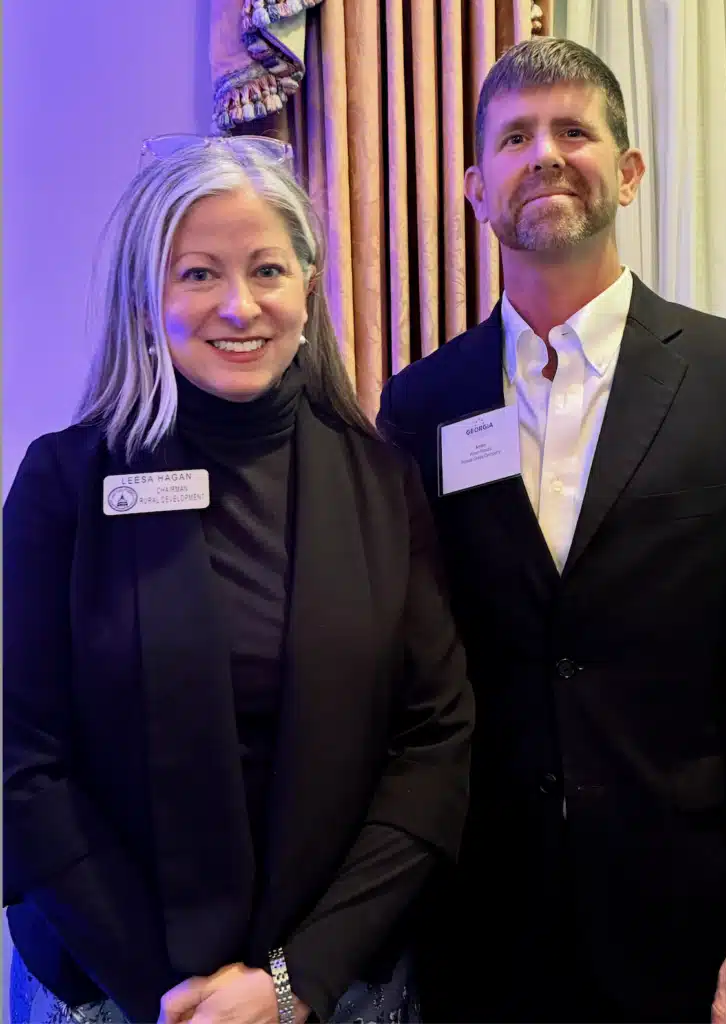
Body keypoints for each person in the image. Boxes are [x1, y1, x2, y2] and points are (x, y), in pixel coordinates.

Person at [378, 37, 726, 1024]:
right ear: (475, 189)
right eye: (514, 138)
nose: (544, 154)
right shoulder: (420, 406)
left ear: (628, 172)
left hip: (696, 933)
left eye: (572, 131)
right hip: (482, 933)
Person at [4, 134, 474, 1024]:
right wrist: (171, 996)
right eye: (198, 274)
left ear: (308, 285)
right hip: (115, 991)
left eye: (266, 270)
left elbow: (434, 742)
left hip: (336, 988)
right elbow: (23, 765)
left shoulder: (381, 484)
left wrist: (293, 983)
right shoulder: (63, 485)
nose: (239, 305)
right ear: (146, 296)